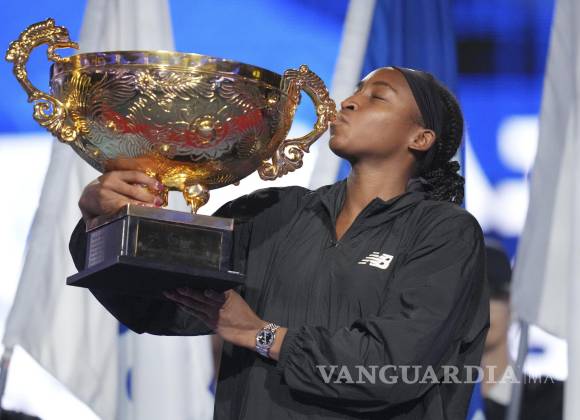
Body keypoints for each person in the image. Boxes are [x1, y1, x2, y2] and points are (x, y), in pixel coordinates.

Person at [69, 67, 489, 419]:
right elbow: (160, 306)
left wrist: (260, 334)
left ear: (420, 138)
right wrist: (100, 220)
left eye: (377, 96)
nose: (348, 102)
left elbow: (393, 368)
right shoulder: (270, 212)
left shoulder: (444, 232)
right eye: (355, 91)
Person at [480, 244, 563, 420]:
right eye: (468, 297)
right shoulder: (427, 402)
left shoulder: (555, 402)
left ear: (512, 303)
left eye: (494, 293)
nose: (482, 308)